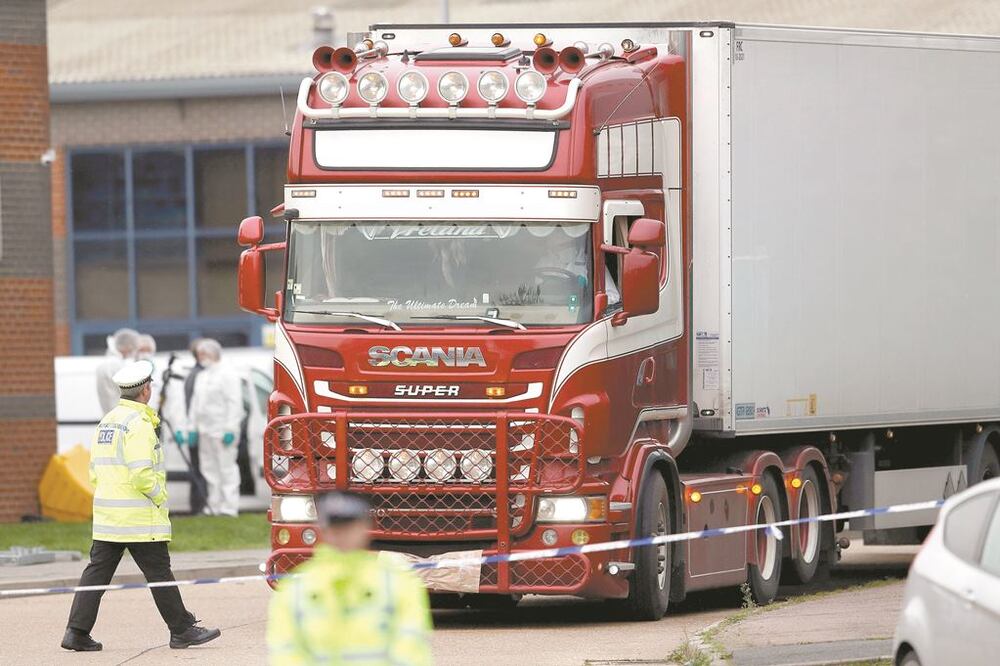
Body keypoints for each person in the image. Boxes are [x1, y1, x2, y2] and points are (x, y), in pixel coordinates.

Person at [61, 360, 221, 652]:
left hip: (109, 517)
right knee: (159, 573)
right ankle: (182, 630)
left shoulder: (108, 420)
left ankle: (76, 631)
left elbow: (94, 470)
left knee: (96, 574)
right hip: (138, 516)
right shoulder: (140, 424)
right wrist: (159, 496)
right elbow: (142, 473)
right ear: (146, 391)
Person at [267, 492, 432, 665]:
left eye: (349, 526)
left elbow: (410, 653)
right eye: (336, 527)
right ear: (324, 530)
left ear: (364, 527)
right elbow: (287, 654)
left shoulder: (398, 586)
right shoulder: (294, 591)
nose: (342, 534)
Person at [189, 338, 243, 516]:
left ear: (213, 353)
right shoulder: (202, 376)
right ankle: (214, 505)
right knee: (209, 470)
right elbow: (196, 405)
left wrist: (231, 428)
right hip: (205, 431)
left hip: (222, 431)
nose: (201, 358)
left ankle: (229, 507)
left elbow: (234, 403)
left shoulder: (228, 374)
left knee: (226, 469)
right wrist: (193, 428)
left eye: (203, 354)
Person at [95, 328, 139, 414]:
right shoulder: (118, 366)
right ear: (127, 346)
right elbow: (132, 395)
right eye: (133, 347)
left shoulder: (104, 365)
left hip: (109, 418)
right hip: (121, 419)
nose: (133, 351)